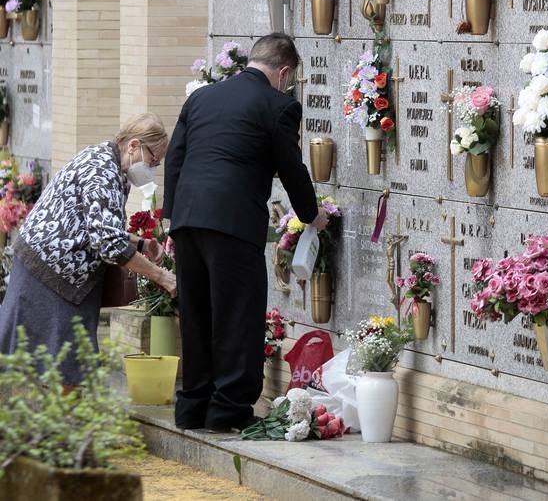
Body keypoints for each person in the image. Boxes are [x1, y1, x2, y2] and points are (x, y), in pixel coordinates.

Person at [164, 32, 328, 432]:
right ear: (284, 72)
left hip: (188, 221)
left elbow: (176, 157)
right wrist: (311, 215)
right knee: (237, 317)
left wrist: (172, 217)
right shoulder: (278, 105)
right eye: (289, 80)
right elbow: (290, 167)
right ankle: (228, 410)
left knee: (197, 314)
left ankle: (192, 407)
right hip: (233, 223)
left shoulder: (201, 97)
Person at [0, 113, 177, 384]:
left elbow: (98, 227)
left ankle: (60, 420)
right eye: (153, 160)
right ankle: (58, 421)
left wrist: (141, 243)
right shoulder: (101, 169)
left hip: (57, 270)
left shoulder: (112, 166)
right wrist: (162, 276)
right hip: (50, 271)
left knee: (65, 363)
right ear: (134, 145)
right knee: (57, 363)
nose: (152, 167)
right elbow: (108, 244)